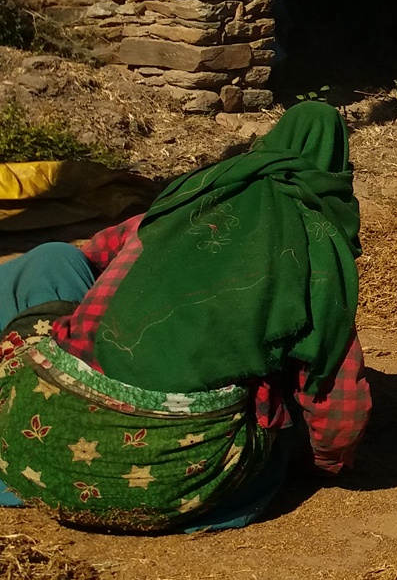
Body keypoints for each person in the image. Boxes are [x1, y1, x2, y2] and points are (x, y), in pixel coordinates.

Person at [0, 102, 369, 532]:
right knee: (281, 421)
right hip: (170, 478)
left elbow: (95, 254)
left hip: (34, 438)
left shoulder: (190, 197)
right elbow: (339, 416)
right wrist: (323, 464)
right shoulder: (319, 252)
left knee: (53, 258)